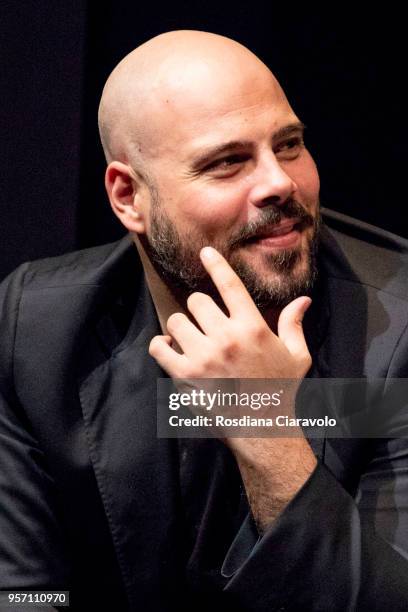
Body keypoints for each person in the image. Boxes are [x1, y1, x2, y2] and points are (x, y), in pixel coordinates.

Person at [1, 30, 408, 611]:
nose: (280, 182)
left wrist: (264, 425)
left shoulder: (397, 335)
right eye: (227, 162)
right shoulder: (37, 325)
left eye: (289, 144)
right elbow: (25, 596)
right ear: (128, 197)